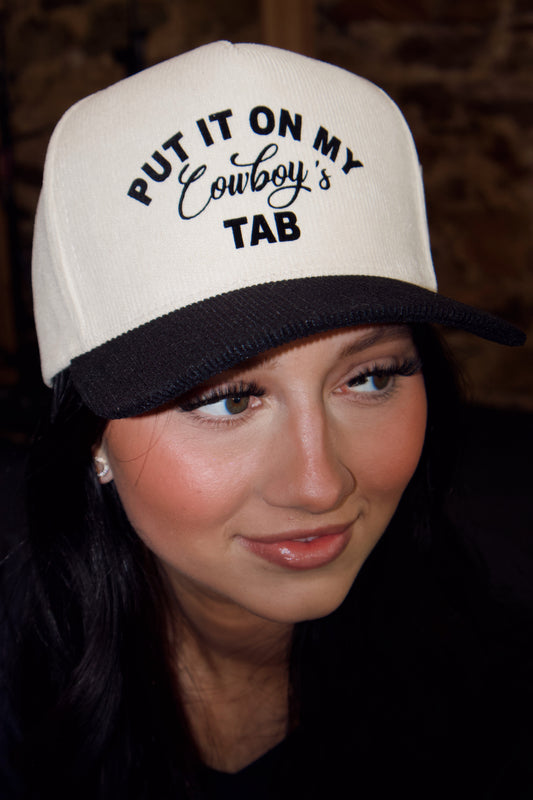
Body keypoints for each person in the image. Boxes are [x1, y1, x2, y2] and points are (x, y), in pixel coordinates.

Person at [1, 41, 531, 799]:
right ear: (92, 438)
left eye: (369, 378)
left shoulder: (495, 684)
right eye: (228, 399)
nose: (319, 484)